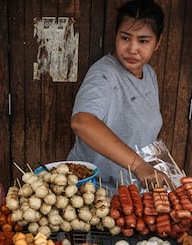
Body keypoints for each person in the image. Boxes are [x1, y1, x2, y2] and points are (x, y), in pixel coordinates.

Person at [67, 0, 168, 190]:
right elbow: (82, 122)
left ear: (157, 43)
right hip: (93, 191)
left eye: (143, 41)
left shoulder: (149, 75)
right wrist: (139, 166)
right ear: (116, 36)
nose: (132, 49)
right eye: (125, 38)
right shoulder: (104, 75)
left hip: (130, 191)